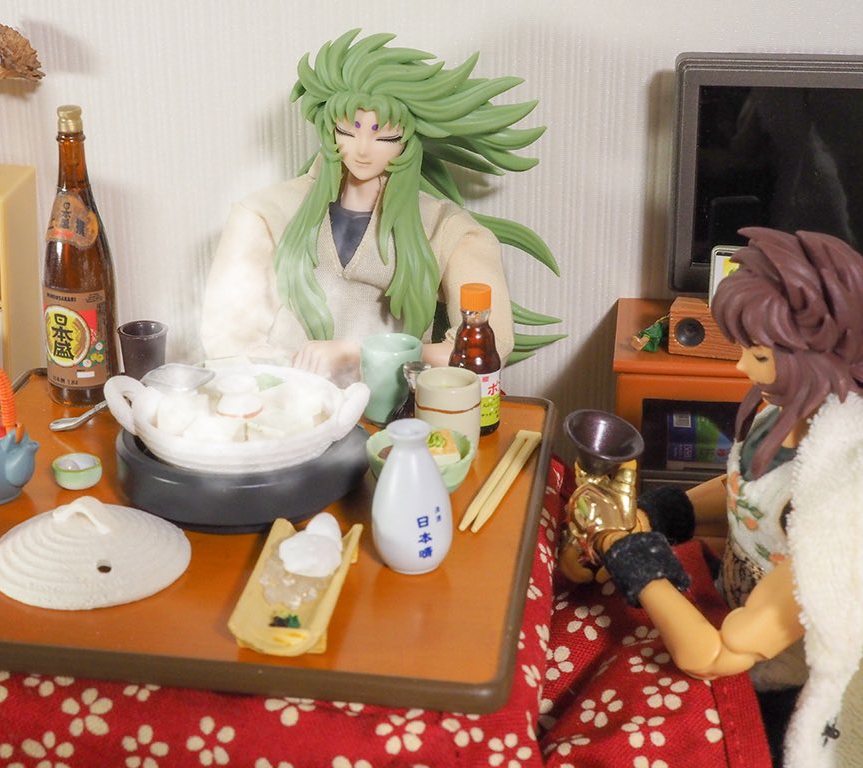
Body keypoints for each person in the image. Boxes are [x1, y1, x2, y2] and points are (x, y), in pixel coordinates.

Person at [568, 227, 863, 767]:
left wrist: (633, 558)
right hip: (728, 594)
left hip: (772, 685)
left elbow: (712, 655)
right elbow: (746, 491)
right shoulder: (783, 413)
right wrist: (663, 512)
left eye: (758, 355)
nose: (741, 368)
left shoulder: (838, 516)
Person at [200, 29, 554, 385]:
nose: (363, 149)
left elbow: (488, 346)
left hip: (395, 404)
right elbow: (226, 340)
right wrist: (292, 378)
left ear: (409, 141)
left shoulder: (448, 230)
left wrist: (362, 354)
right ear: (329, 129)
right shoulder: (263, 214)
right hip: (285, 401)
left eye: (386, 136)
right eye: (347, 130)